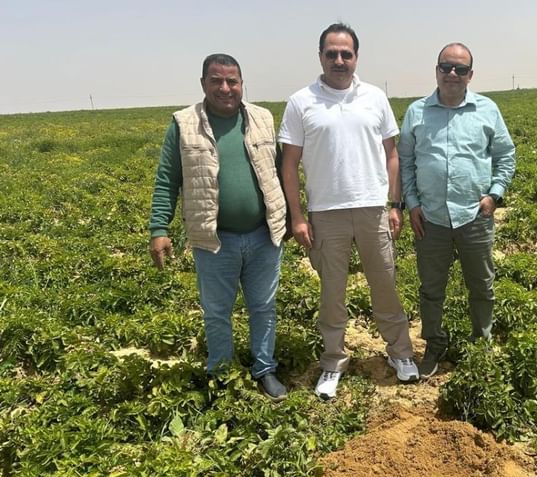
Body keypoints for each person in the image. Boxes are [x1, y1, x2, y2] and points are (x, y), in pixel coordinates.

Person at [279, 22, 417, 400]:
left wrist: (395, 204)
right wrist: (297, 216)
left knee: (385, 285)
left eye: (346, 54)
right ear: (320, 57)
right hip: (326, 213)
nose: (339, 60)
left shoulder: (375, 97)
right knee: (332, 294)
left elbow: (392, 155)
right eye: (332, 54)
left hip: (373, 209)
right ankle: (333, 361)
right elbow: (289, 164)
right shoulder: (301, 102)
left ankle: (401, 353)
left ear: (356, 57)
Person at [148, 53, 289, 400]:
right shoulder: (184, 124)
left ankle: (264, 368)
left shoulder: (262, 118)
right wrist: (159, 228)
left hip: (263, 235)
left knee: (263, 307)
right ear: (203, 84)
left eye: (232, 81)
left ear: (241, 84)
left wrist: (291, 217)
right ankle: (222, 373)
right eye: (216, 81)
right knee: (216, 312)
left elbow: (279, 171)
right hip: (213, 239)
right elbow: (167, 179)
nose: (225, 88)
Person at [398, 42, 516, 378]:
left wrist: (494, 195)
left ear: (470, 75)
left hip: (474, 216)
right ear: (436, 71)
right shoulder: (417, 112)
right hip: (430, 217)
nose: (452, 73)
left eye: (460, 69)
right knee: (431, 289)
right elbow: (406, 162)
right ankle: (434, 345)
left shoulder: (487, 109)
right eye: (446, 67)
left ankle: (481, 344)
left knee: (481, 285)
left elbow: (506, 155)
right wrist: (412, 203)